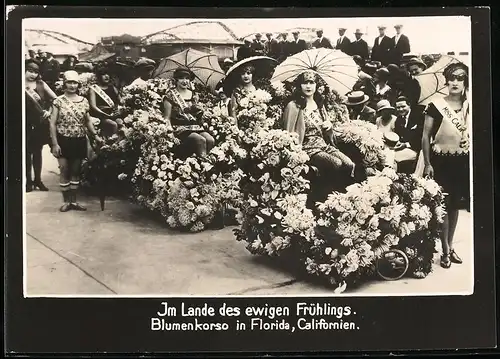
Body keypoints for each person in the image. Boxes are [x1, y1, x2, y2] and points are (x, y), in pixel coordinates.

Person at [421, 62, 470, 269]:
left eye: (460, 78)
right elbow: (425, 135)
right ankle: (445, 251)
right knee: (444, 206)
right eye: (452, 78)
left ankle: (450, 245)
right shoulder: (436, 105)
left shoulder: (470, 106)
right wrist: (428, 163)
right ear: (446, 81)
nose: (456, 82)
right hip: (441, 161)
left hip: (462, 161)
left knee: (456, 206)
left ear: (465, 81)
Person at [282, 70, 355, 182]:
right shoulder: (293, 106)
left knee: (349, 164)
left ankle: (341, 194)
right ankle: (327, 195)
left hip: (323, 145)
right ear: (299, 85)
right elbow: (288, 133)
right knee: (336, 164)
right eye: (305, 83)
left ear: (316, 85)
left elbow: (329, 134)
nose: (308, 86)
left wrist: (329, 126)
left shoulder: (319, 104)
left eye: (312, 82)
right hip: (307, 149)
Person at [49, 71, 103, 212]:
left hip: (79, 139)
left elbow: (87, 121)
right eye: (69, 82)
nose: (72, 86)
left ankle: (74, 201)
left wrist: (95, 135)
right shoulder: (58, 101)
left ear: (78, 84)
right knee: (64, 169)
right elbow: (52, 123)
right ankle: (66, 201)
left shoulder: (84, 101)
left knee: (75, 171)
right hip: (63, 139)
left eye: (75, 83)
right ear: (64, 84)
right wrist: (55, 143)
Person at [163, 68, 215, 157]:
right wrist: (169, 133)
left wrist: (200, 111)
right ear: (176, 80)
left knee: (210, 140)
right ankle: (204, 165)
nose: (185, 81)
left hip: (195, 127)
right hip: (179, 129)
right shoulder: (170, 95)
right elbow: (167, 117)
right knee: (199, 139)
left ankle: (204, 162)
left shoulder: (194, 94)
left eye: (187, 78)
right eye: (181, 78)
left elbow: (198, 115)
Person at [25, 59, 57, 192]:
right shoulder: (16, 82)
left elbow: (56, 100)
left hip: (39, 122)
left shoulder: (41, 84)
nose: (33, 74)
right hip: (24, 122)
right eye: (30, 71)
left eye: (36, 72)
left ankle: (38, 180)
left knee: (37, 152)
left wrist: (48, 112)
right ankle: (28, 181)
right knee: (26, 153)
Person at [88, 66, 121, 137]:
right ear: (99, 77)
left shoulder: (113, 87)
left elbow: (121, 101)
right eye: (103, 74)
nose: (106, 76)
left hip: (113, 114)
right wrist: (105, 114)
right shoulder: (93, 89)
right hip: (100, 116)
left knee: (121, 123)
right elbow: (93, 106)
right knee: (113, 125)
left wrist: (118, 110)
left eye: (107, 74)